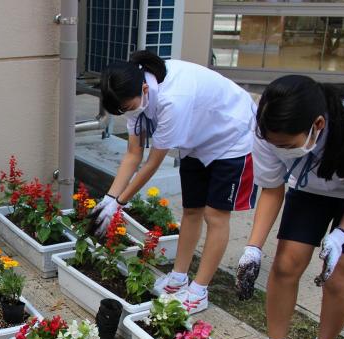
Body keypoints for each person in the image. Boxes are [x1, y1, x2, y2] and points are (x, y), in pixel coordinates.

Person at [236, 75, 344, 339]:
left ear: (317, 124)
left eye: (287, 145)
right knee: (285, 265)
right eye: (275, 144)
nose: (280, 149)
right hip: (310, 187)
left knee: (337, 276)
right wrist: (253, 248)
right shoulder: (266, 129)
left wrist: (341, 234)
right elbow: (272, 189)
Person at [92, 51, 257, 314]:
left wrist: (120, 203)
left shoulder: (172, 99)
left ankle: (199, 291)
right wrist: (109, 199)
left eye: (127, 108)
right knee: (192, 210)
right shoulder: (134, 95)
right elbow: (133, 154)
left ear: (144, 89)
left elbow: (152, 163)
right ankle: (179, 276)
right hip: (196, 140)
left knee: (215, 215)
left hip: (232, 137)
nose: (127, 113)